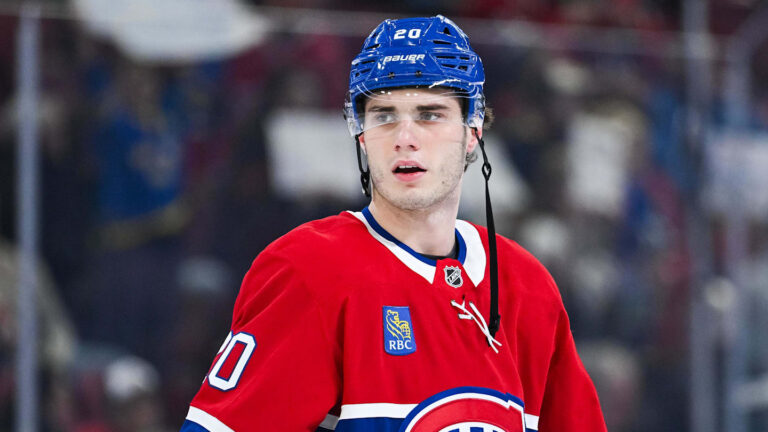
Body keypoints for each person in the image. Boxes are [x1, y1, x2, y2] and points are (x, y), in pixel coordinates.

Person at [180, 15, 606, 432]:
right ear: (361, 134)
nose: (405, 136)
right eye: (383, 115)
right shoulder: (311, 270)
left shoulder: (526, 286)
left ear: (473, 129)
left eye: (430, 114)